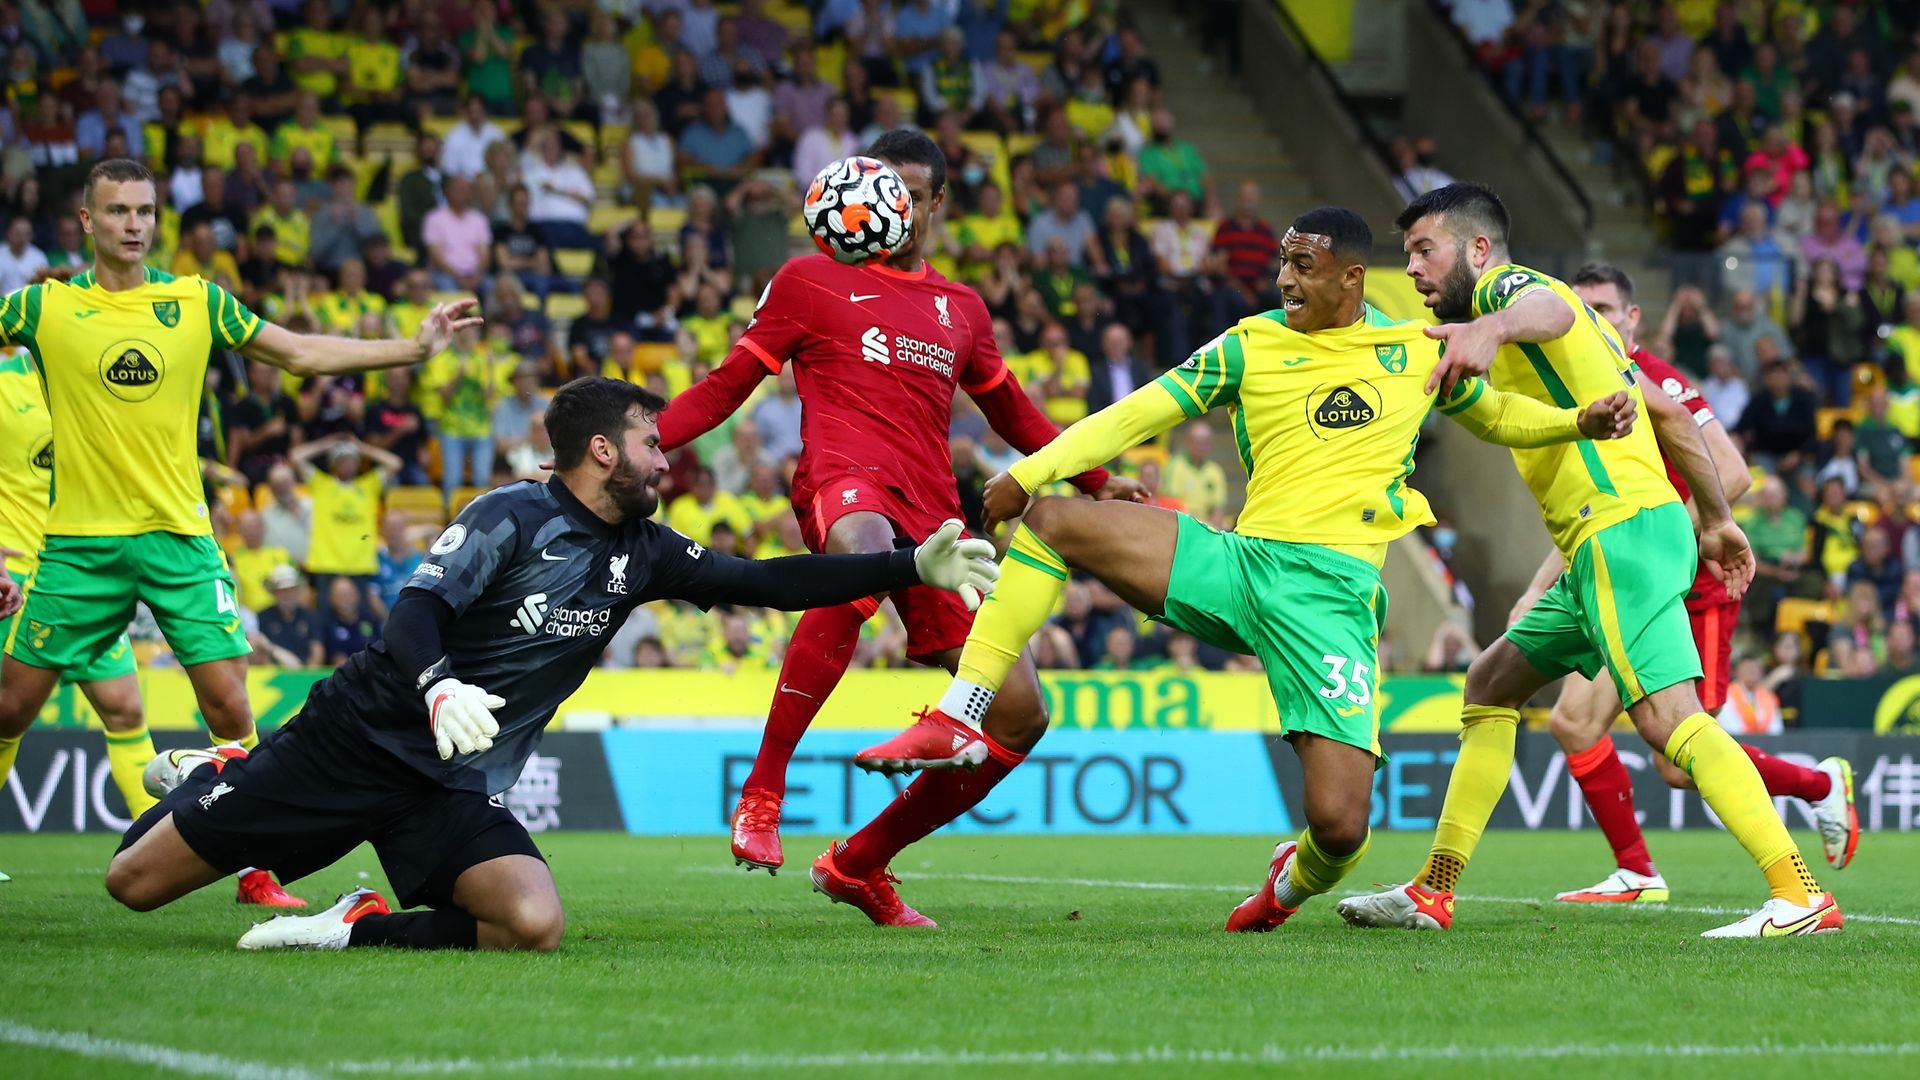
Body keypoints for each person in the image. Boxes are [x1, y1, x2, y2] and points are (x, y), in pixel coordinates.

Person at [911, 206, 1635, 930]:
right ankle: (963, 711)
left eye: (1303, 266)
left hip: (1333, 601)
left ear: (1352, 278)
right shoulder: (1248, 344)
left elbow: (1499, 414)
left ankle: (1283, 889)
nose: (1284, 278)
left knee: (1342, 827)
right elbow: (1133, 414)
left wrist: (1576, 423)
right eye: (1283, 263)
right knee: (1055, 520)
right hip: (1240, 564)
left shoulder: (1416, 349)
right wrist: (1034, 472)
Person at [107, 377, 998, 951]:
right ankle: (228, 769)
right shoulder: (510, 515)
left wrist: (906, 564)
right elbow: (416, 610)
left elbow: (763, 580)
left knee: (531, 925)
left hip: (451, 782)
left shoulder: (644, 549)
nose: (666, 457)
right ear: (602, 450)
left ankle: (351, 930)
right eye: (652, 442)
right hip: (354, 739)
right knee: (133, 886)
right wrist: (440, 683)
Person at [1339, 183, 1840, 938]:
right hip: (1618, 540)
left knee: (1670, 723)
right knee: (1490, 682)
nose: (1411, 267)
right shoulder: (1598, 347)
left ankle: (1799, 893)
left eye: (1423, 250)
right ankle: (1433, 890)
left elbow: (1553, 308)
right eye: (1406, 253)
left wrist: (1495, 328)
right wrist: (1716, 520)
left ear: (1478, 250)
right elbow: (1668, 415)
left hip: (1618, 533)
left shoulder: (1516, 293)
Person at [657, 130, 1139, 887]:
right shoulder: (810, 280)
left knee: (1020, 713)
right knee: (858, 558)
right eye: (880, 191)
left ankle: (860, 863)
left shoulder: (961, 308)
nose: (894, 208)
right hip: (845, 479)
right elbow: (723, 389)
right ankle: (762, 791)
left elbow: (1014, 412)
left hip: (936, 517)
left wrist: (1096, 478)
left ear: (938, 202)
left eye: (911, 194)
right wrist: (641, 441)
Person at [0, 159, 483, 906]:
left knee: (231, 710)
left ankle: (255, 870)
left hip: (181, 543)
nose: (134, 224)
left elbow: (296, 352)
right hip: (76, 546)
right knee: (8, 707)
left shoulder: (194, 302)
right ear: (88, 223)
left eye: (146, 211)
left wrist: (411, 350)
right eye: (119, 211)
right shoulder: (40, 308)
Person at [1522, 264, 1856, 906]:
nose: (1592, 321)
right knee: (1571, 723)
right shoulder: (1577, 377)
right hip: (1620, 576)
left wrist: (1671, 531)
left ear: (1632, 318)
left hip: (1691, 586)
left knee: (1677, 762)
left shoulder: (1660, 379)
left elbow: (1732, 474)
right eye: (1580, 309)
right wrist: (1541, 585)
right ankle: (1638, 873)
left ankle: (1818, 787)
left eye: (1604, 310)